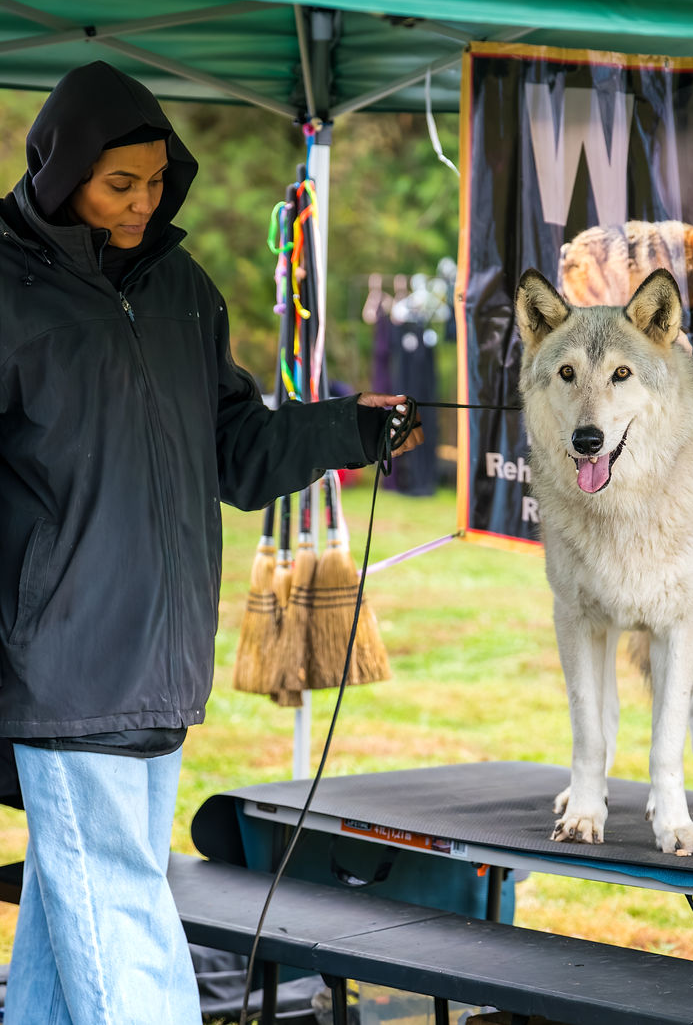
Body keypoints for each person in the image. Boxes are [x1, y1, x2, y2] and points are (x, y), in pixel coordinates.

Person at [0, 60, 422, 1024]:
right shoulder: (7, 290)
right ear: (62, 172)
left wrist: (347, 430)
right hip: (62, 664)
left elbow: (235, 451)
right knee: (124, 923)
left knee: (83, 931)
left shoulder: (182, 290)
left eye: (156, 180)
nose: (145, 200)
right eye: (121, 183)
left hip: (162, 657)